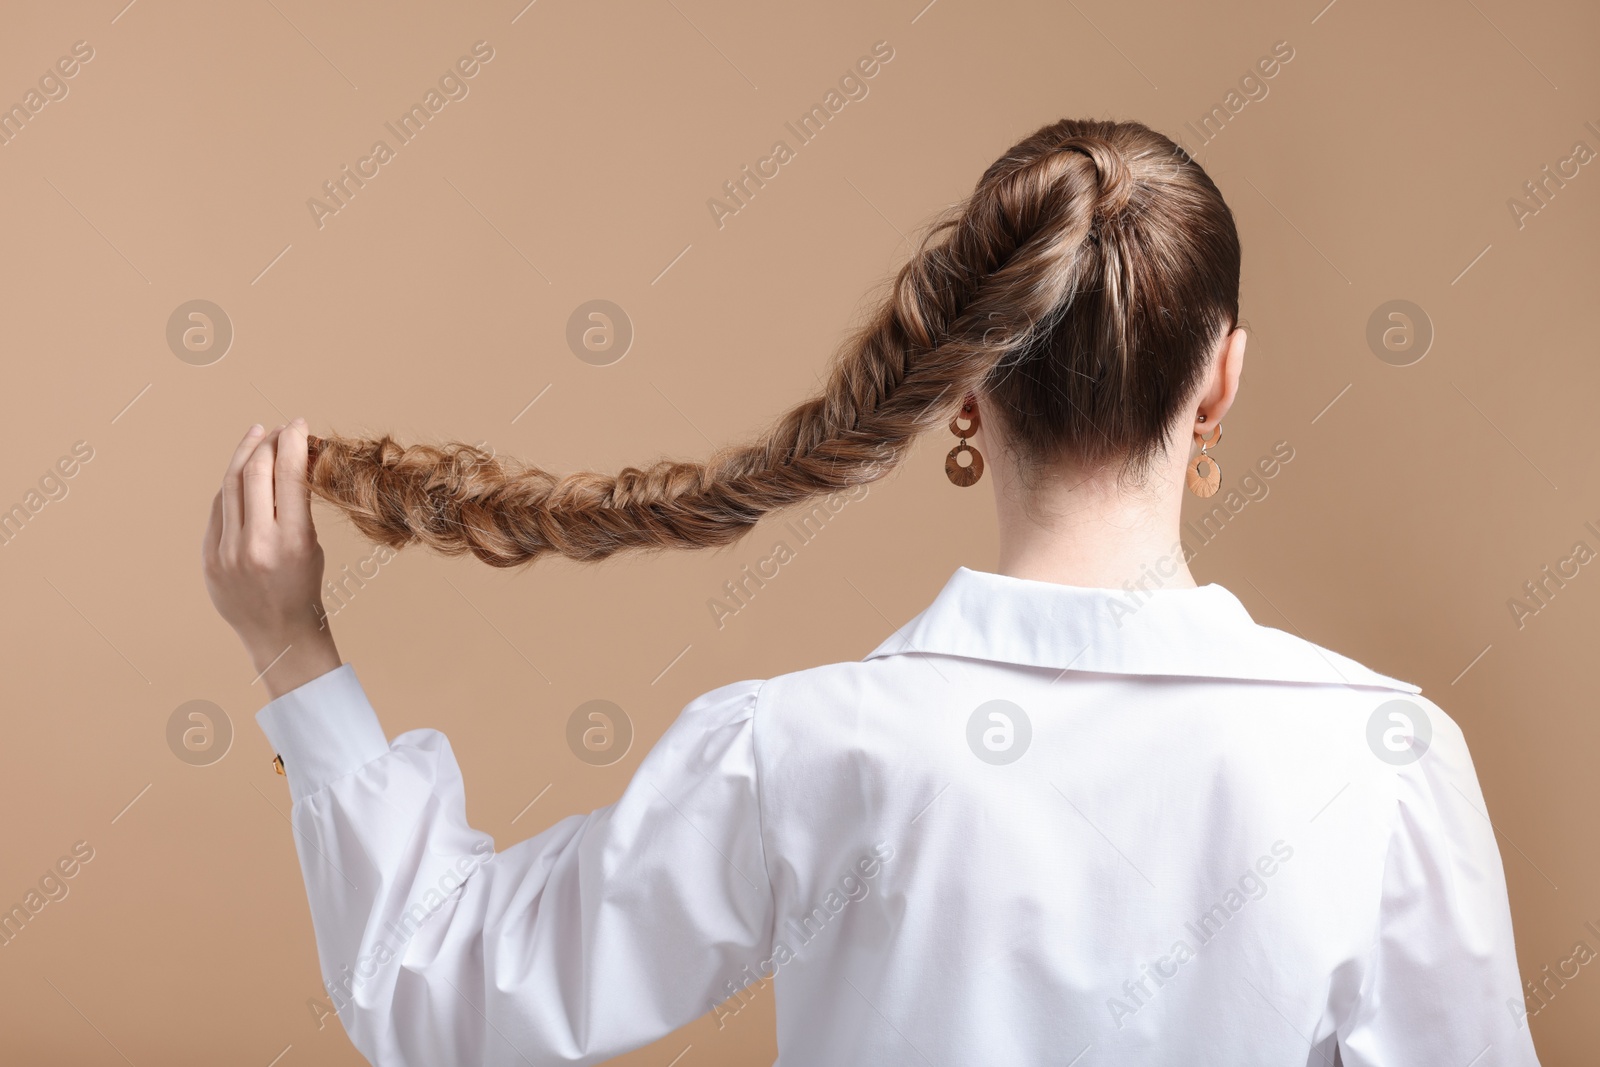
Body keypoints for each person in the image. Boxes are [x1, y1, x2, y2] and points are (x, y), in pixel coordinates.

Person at [202, 118, 1540, 1066]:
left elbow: (444, 998)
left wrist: (292, 656)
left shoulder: (806, 749)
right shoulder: (1388, 760)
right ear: (1226, 376)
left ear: (965, 381)